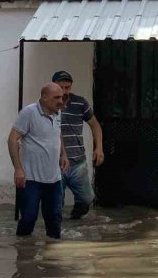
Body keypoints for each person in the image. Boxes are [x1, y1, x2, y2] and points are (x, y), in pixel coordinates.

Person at [8, 82, 70, 238]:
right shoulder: (29, 112)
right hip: (31, 179)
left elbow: (57, 134)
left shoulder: (57, 113)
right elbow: (12, 139)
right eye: (56, 97)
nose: (60, 101)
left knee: (54, 222)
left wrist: (64, 154)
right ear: (44, 97)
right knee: (28, 220)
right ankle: (22, 255)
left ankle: (53, 259)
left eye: (61, 97)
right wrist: (18, 169)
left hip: (54, 179)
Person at [53, 71, 104, 219]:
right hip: (56, 164)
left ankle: (74, 222)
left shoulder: (80, 103)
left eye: (67, 87)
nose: (64, 91)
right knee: (56, 203)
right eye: (61, 87)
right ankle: (57, 232)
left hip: (78, 162)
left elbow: (95, 125)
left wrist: (99, 148)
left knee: (86, 199)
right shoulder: (48, 105)